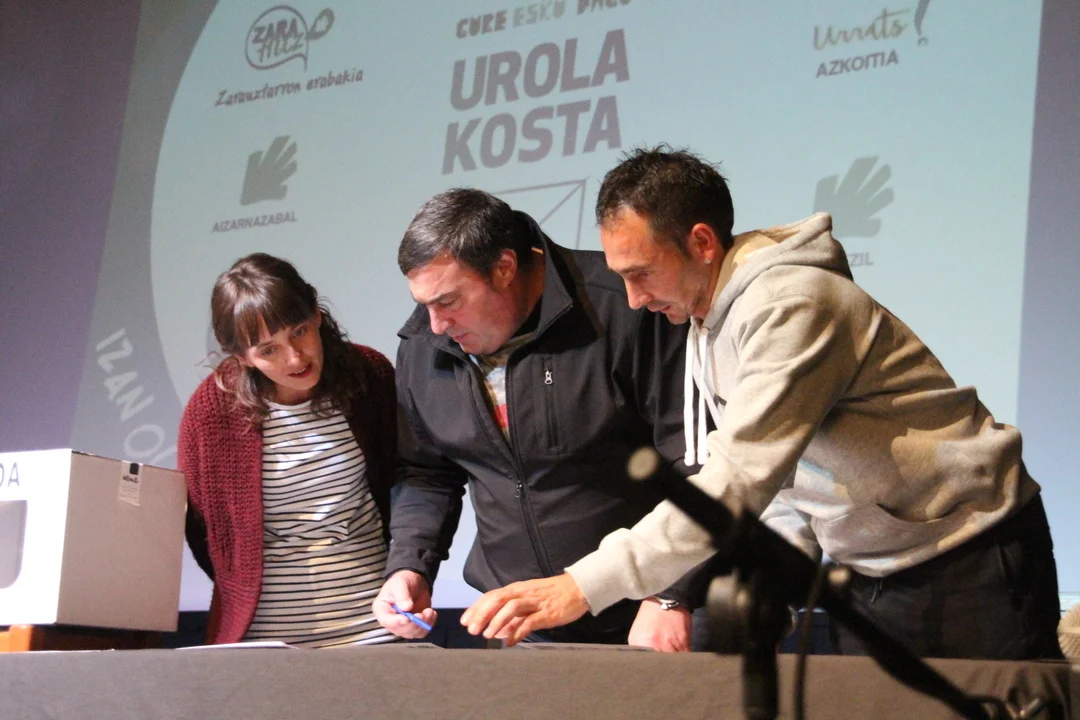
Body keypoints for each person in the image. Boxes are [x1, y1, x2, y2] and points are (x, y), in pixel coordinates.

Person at [460, 146, 1063, 660]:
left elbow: (738, 477)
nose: (634, 299)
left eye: (641, 273)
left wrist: (583, 586)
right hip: (870, 571)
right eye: (621, 277)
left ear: (701, 242)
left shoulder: (791, 303)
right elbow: (784, 483)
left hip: (968, 555)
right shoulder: (704, 320)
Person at [374, 188, 715, 650]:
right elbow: (427, 474)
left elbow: (699, 461)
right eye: (424, 304)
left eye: (449, 301)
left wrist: (672, 593)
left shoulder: (625, 306)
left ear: (504, 268)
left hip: (656, 611)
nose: (436, 325)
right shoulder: (424, 346)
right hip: (526, 623)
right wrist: (409, 566)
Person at [179, 253, 398, 647]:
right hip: (263, 640)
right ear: (242, 357)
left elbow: (408, 485)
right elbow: (206, 533)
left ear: (316, 314)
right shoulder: (211, 411)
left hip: (376, 626)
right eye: (268, 350)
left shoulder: (370, 375)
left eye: (299, 331)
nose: (295, 357)